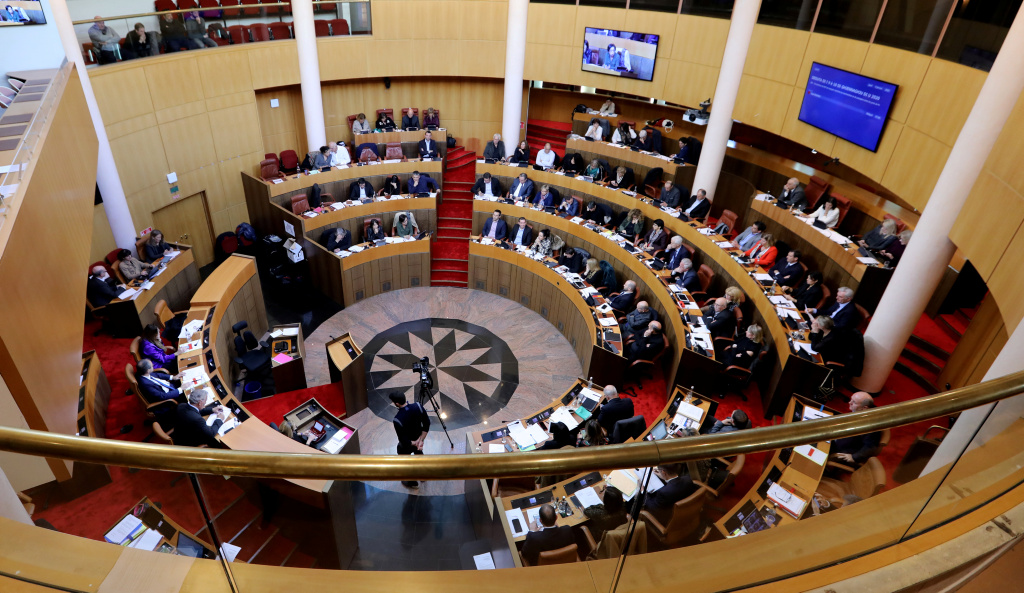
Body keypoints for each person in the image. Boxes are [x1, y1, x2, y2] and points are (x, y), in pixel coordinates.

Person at [390, 392, 430, 488]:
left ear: (397, 404)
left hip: (407, 445)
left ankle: (412, 482)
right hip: (418, 438)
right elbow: (427, 423)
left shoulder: (397, 419)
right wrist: (420, 440)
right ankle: (423, 476)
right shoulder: (418, 406)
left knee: (404, 460)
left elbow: (404, 440)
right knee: (419, 454)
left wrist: (414, 443)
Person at [831, 392, 882, 467]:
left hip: (842, 448)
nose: (849, 402)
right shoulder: (863, 411)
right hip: (839, 436)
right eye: (851, 399)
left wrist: (854, 457)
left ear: (864, 408)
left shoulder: (871, 425)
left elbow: (871, 447)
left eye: (854, 402)